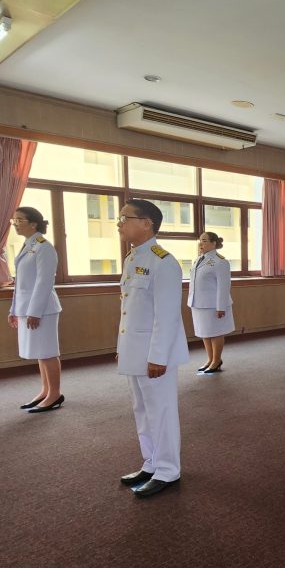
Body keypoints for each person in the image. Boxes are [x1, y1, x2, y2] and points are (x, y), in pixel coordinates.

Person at [116, 199, 189, 499]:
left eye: (125, 218)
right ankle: (151, 463)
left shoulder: (164, 262)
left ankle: (168, 470)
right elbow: (129, 311)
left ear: (146, 223)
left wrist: (158, 356)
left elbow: (167, 315)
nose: (119, 224)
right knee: (142, 411)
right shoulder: (132, 258)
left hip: (155, 354)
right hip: (136, 350)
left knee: (161, 412)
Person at [7, 207, 63, 413]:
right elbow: (20, 284)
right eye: (14, 220)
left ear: (33, 224)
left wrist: (35, 312)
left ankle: (55, 394)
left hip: (43, 309)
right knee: (40, 353)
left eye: (20, 220)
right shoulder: (28, 245)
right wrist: (14, 310)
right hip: (27, 307)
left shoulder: (44, 247)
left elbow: (44, 282)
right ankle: (45, 390)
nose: (15, 224)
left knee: (47, 351)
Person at [187, 231, 234, 375]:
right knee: (205, 333)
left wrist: (221, 307)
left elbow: (223, 286)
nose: (201, 244)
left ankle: (216, 360)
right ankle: (210, 359)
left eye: (205, 241)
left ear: (214, 243)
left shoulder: (220, 262)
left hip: (213, 305)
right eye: (200, 240)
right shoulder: (198, 260)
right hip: (198, 303)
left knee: (216, 333)